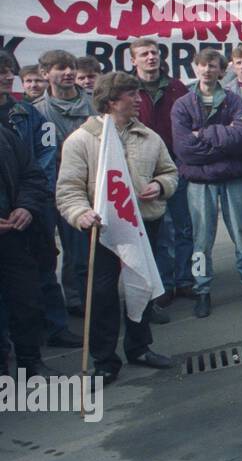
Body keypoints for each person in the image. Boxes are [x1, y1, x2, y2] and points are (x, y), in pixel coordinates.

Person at [56, 72, 178, 383]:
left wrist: (160, 185)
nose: (139, 99)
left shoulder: (149, 137)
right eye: (131, 95)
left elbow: (170, 172)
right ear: (111, 101)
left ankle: (139, 346)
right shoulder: (81, 140)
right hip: (102, 231)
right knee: (102, 295)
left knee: (143, 286)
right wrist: (81, 214)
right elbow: (68, 190)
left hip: (143, 224)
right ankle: (105, 360)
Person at [171, 48, 242, 317]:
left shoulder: (233, 101)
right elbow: (184, 149)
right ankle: (202, 289)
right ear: (194, 68)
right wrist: (221, 139)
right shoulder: (182, 104)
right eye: (202, 65)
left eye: (213, 65)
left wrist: (202, 135)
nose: (207, 70)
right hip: (200, 181)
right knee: (200, 240)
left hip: (233, 177)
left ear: (221, 69)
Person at [130, 38, 193, 309]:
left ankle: (186, 279)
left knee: (184, 226)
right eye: (144, 54)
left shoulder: (176, 87)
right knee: (161, 230)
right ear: (134, 60)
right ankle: (165, 283)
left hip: (177, 164)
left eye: (154, 53)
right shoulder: (130, 90)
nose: (150, 58)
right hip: (146, 169)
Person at [34, 50, 94, 318]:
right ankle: (62, 307)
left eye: (71, 67)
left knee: (85, 254)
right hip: (50, 192)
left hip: (89, 188)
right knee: (50, 254)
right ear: (45, 74)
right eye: (60, 68)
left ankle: (88, 300)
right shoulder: (35, 113)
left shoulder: (94, 105)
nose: (68, 72)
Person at [0, 119, 57, 378]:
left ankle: (30, 361)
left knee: (27, 300)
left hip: (15, 237)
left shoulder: (7, 137)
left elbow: (33, 176)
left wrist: (25, 206)